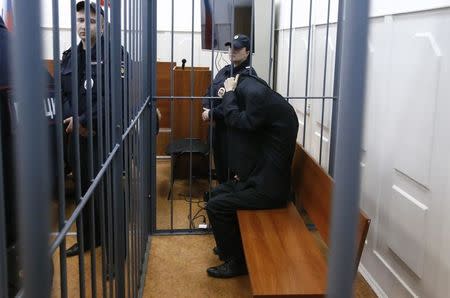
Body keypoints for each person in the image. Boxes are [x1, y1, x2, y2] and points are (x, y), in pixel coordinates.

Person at [205, 73, 299, 278]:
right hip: (260, 178)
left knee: (216, 206)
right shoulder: (269, 103)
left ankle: (236, 262)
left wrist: (229, 94)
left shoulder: (260, 101)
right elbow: (252, 140)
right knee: (212, 196)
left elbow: (238, 121)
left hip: (269, 190)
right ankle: (231, 247)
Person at [61, 1, 106, 257]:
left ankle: (113, 246)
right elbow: (61, 91)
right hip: (75, 136)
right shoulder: (70, 56)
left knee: (104, 193)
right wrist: (73, 120)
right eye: (79, 20)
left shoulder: (114, 54)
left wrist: (86, 122)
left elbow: (113, 96)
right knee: (82, 192)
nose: (82, 25)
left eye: (89, 21)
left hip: (100, 136)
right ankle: (87, 238)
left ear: (101, 25)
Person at [202, 34, 257, 184]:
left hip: (233, 132)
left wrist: (211, 114)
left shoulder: (248, 76)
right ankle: (221, 201)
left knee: (230, 172)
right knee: (220, 166)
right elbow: (209, 89)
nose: (232, 51)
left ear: (247, 52)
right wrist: (206, 108)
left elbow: (235, 104)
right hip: (217, 127)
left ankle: (226, 204)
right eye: (230, 47)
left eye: (237, 48)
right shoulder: (225, 70)